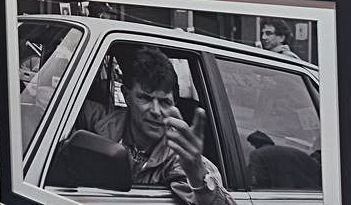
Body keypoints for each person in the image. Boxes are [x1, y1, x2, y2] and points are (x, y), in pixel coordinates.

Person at [73, 47, 234, 205]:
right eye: (145, 98)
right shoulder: (99, 121)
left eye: (164, 102)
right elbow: (50, 100)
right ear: (126, 95)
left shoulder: (182, 159)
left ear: (174, 104)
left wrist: (198, 175)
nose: (156, 111)